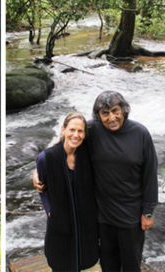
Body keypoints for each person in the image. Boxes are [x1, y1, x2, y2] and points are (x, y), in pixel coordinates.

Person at [34, 91, 158, 272]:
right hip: (102, 217)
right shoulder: (92, 131)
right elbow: (66, 142)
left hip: (131, 216)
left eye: (115, 111)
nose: (111, 118)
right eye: (105, 113)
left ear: (123, 109)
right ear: (98, 116)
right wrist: (39, 167)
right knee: (108, 265)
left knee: (131, 265)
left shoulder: (140, 134)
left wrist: (148, 211)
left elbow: (150, 173)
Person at [35, 112, 99, 272]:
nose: (75, 135)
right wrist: (49, 210)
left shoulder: (89, 155)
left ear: (85, 134)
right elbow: (42, 189)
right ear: (63, 130)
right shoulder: (46, 158)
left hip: (85, 223)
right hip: (60, 224)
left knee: (83, 261)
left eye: (80, 131)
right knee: (60, 263)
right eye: (72, 130)